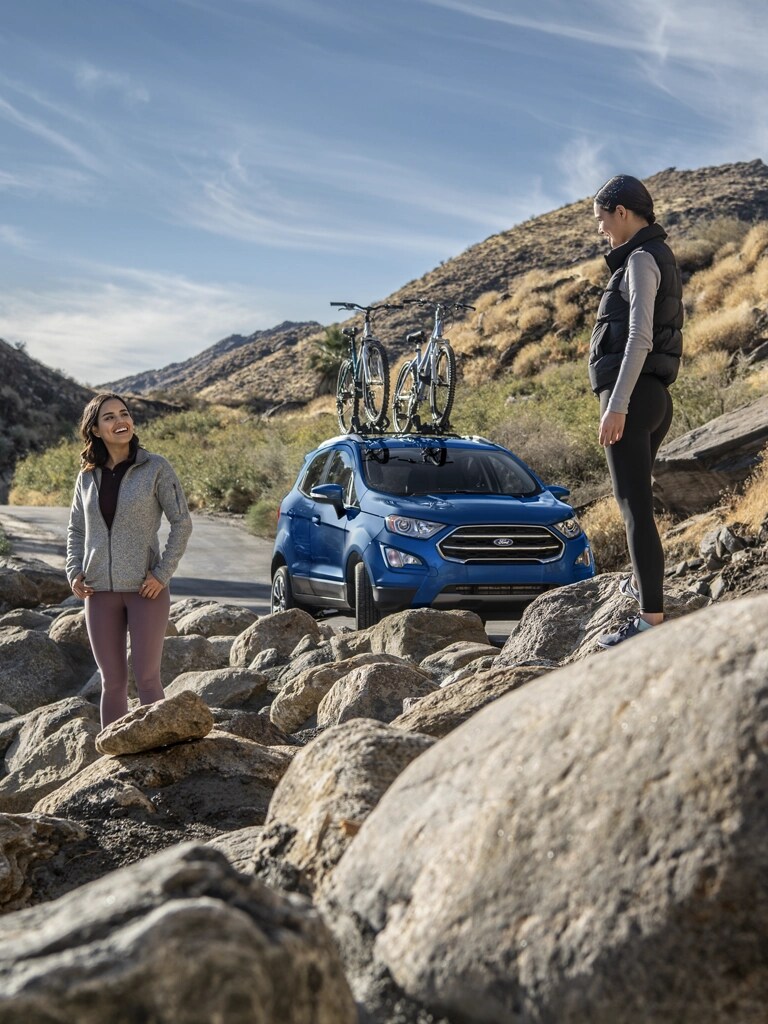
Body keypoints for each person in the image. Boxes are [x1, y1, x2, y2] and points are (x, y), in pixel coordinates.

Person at [588, 175, 683, 648]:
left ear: (622, 212)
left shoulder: (641, 260)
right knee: (635, 506)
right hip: (650, 397)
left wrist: (616, 405)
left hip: (635, 398)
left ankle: (648, 622)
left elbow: (639, 338)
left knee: (633, 510)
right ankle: (645, 594)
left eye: (603, 219)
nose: (602, 230)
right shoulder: (648, 256)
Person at [66, 393, 193, 727]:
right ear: (94, 429)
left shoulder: (155, 468)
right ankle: (114, 762)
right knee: (112, 683)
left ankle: (162, 752)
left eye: (124, 414)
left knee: (148, 679)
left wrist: (162, 573)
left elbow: (182, 522)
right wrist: (74, 570)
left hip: (145, 590)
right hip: (98, 592)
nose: (120, 421)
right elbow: (77, 529)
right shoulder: (86, 477)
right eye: (109, 417)